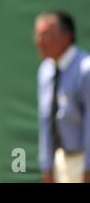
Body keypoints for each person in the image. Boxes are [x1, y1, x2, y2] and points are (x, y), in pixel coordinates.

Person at [34, 11, 90, 183]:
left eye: (46, 35)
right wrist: (47, 165)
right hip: (59, 163)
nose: (39, 41)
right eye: (37, 35)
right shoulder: (45, 70)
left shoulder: (86, 70)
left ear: (66, 37)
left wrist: (88, 168)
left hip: (82, 161)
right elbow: (45, 121)